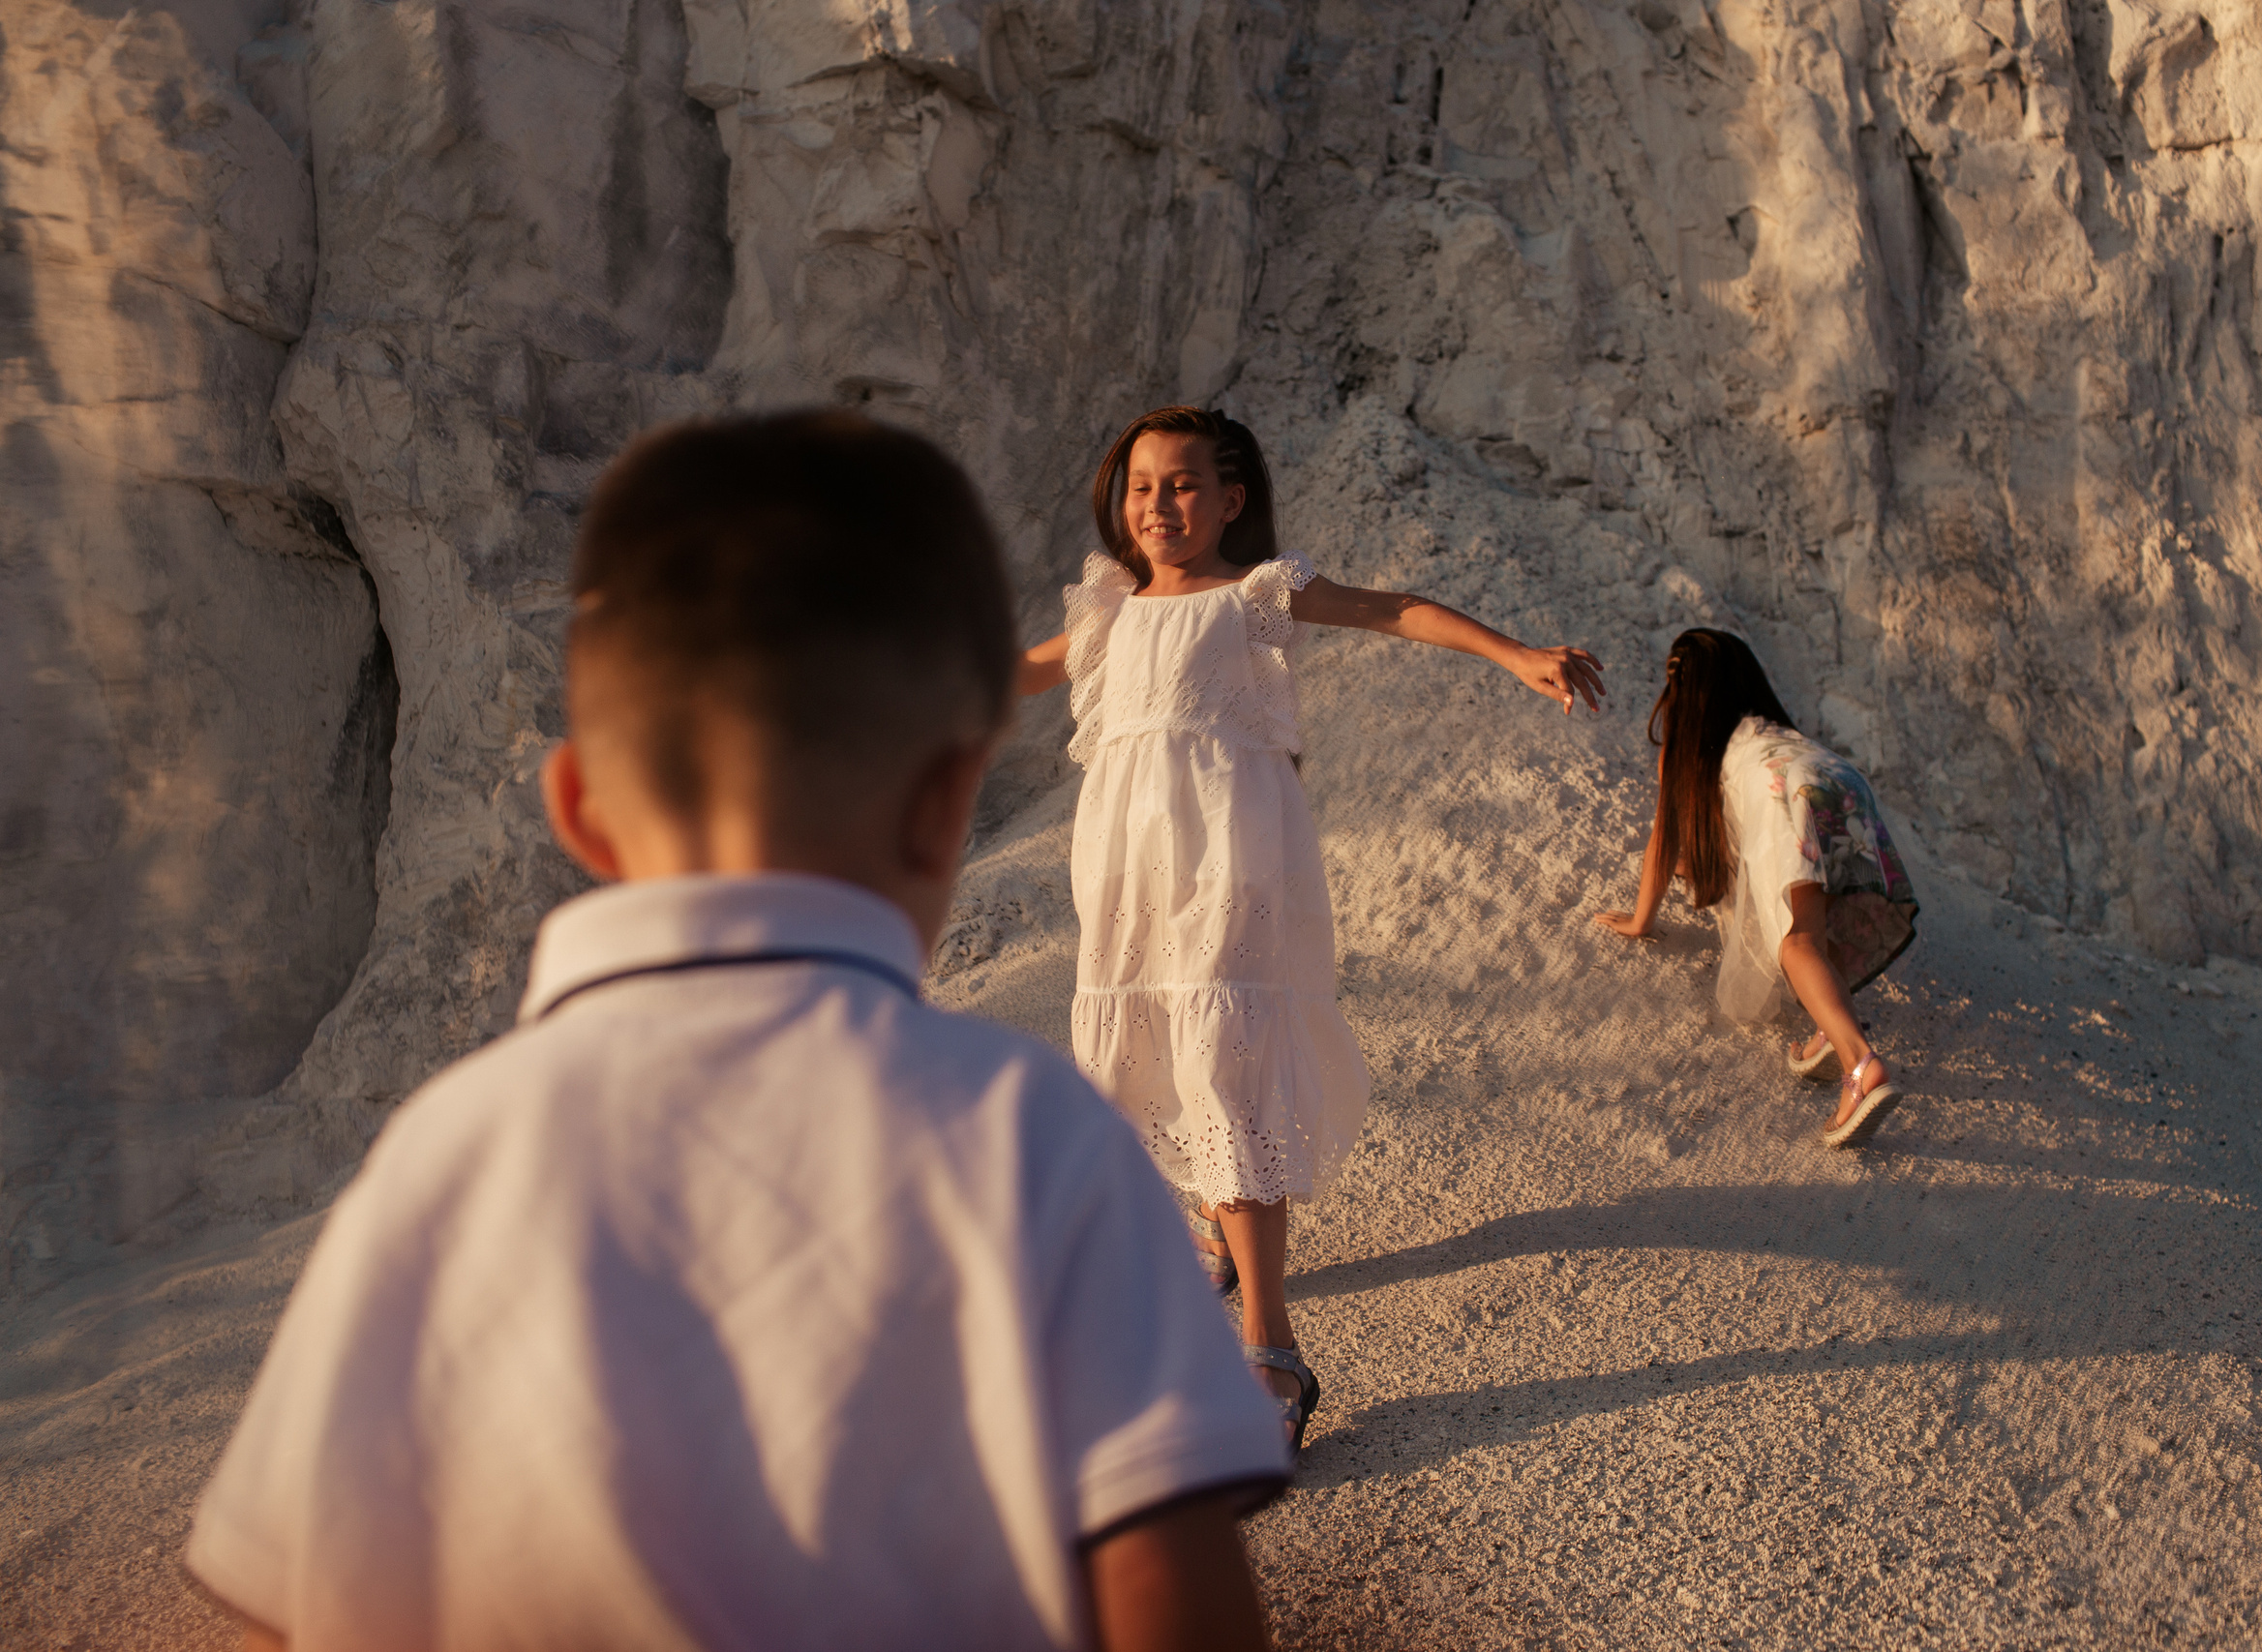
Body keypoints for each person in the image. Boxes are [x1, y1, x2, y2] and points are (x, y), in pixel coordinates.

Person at [184, 411, 1291, 1652]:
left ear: (582, 814)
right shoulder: (1039, 1135)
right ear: (946, 804)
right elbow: (1174, 1610)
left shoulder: (443, 1150)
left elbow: (297, 1598)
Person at [1017, 405, 1606, 1453]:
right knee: (1151, 1049)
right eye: (1143, 485)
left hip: (1232, 858)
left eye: (1185, 484)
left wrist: (1511, 652)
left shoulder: (1252, 597)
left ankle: (1267, 1342)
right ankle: (1213, 1223)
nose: (1160, 504)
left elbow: (1397, 611)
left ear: (1231, 501)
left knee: (1225, 1055)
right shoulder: (1108, 611)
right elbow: (1002, 676)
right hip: (1124, 869)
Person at [1593, 627, 1919, 1148]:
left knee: (1796, 942)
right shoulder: (1767, 726)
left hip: (1785, 792)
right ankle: (1827, 1028)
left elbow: (1665, 834)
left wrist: (1640, 921)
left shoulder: (1693, 743)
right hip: (1839, 778)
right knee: (1817, 917)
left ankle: (1860, 1066)